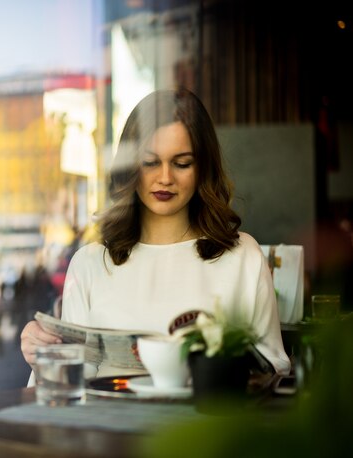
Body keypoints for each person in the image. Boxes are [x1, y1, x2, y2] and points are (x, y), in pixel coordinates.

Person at [20, 87, 291, 380]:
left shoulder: (242, 257)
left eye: (181, 163)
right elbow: (71, 381)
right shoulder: (91, 262)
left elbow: (274, 369)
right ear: (131, 166)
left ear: (202, 168)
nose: (165, 178)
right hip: (108, 424)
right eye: (150, 162)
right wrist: (43, 355)